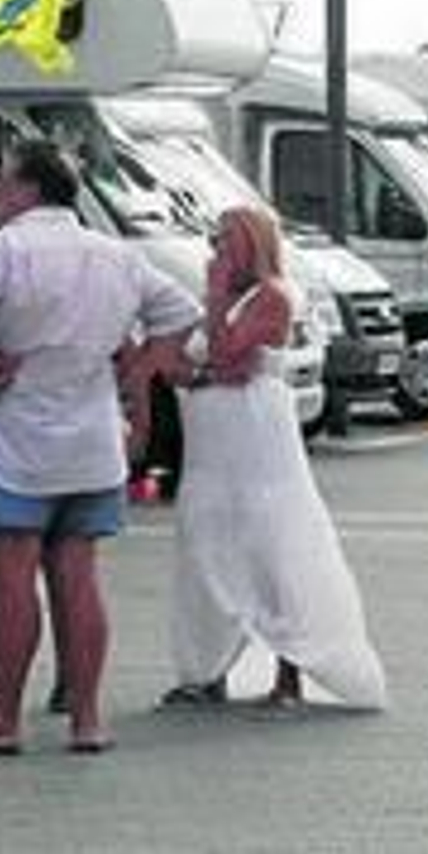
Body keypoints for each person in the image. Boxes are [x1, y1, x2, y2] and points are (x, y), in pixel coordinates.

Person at [0, 139, 198, 757]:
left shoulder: (7, 248)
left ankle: (2, 718)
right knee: (80, 575)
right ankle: (88, 717)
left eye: (2, 181)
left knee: (12, 572)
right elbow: (181, 312)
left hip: (17, 438)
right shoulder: (114, 255)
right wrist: (136, 372)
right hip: (92, 436)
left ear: (25, 190)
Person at [157, 205, 386, 712]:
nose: (214, 251)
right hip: (211, 438)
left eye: (224, 241)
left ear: (250, 245)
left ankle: (290, 673)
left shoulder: (273, 297)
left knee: (271, 542)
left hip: (253, 430)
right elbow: (179, 360)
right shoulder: (219, 300)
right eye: (213, 241)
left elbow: (225, 355)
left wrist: (214, 304)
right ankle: (209, 668)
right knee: (207, 538)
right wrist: (195, 363)